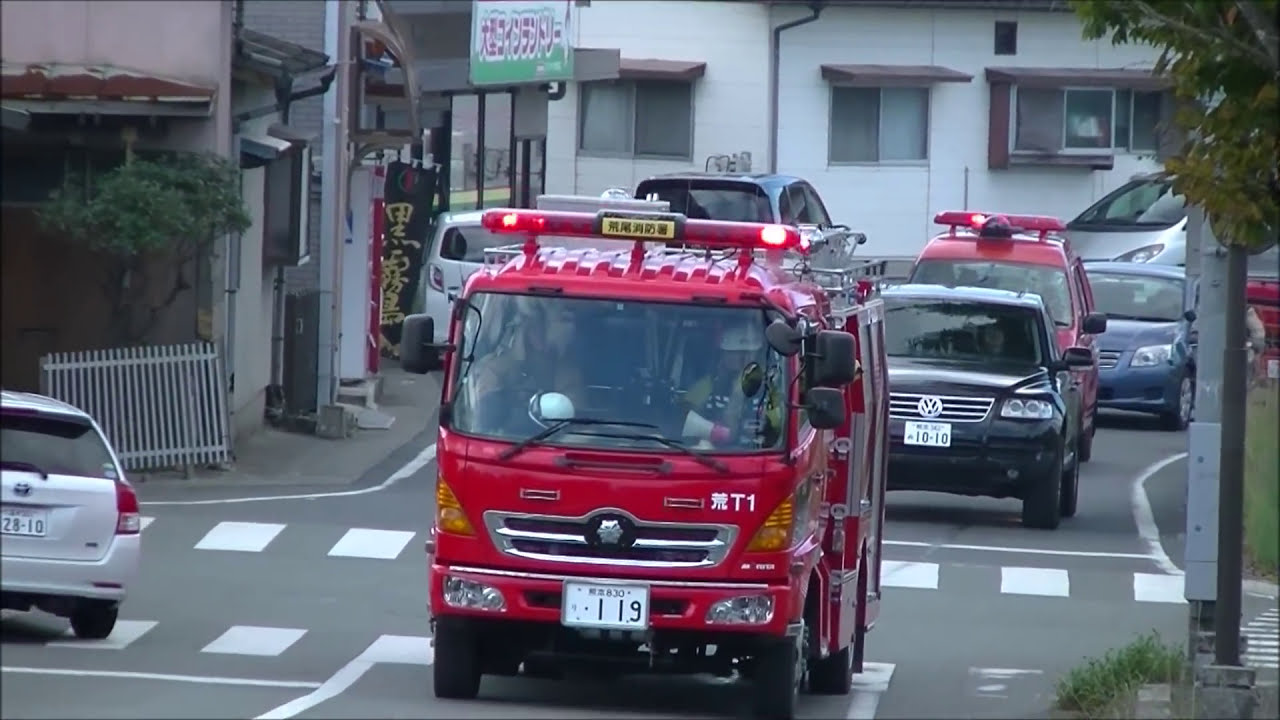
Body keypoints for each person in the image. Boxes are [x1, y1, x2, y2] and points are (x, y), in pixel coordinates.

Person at [466, 296, 585, 428]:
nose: (570, 328)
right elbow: (482, 424)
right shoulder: (495, 371)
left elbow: (574, 425)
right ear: (536, 331)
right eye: (563, 320)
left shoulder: (568, 372)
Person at [680, 320, 783, 449]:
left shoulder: (769, 385)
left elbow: (778, 424)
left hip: (755, 453)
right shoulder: (713, 382)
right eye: (732, 353)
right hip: (717, 453)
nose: (741, 359)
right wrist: (711, 429)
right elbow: (684, 410)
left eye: (745, 353)